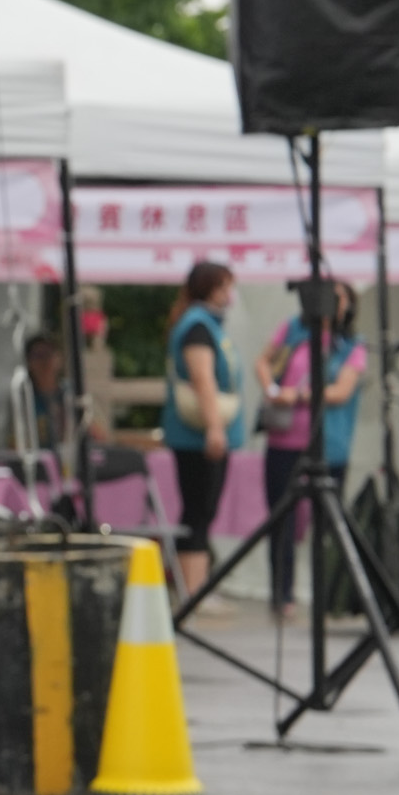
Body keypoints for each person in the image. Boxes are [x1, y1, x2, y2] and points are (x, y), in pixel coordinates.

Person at [255, 280, 368, 615]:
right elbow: (263, 361)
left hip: (328, 445)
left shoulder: (351, 345)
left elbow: (342, 391)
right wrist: (272, 390)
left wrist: (298, 396)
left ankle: (328, 594)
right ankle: (282, 593)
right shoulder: (293, 329)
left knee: (327, 523)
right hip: (285, 440)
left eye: (340, 298)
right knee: (282, 519)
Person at [159, 260, 244, 602]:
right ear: (211, 289)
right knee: (198, 510)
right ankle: (192, 591)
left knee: (201, 511)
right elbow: (202, 379)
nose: (229, 294)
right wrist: (215, 428)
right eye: (225, 287)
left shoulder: (202, 323)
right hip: (197, 437)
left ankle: (195, 586)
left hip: (198, 435)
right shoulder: (197, 327)